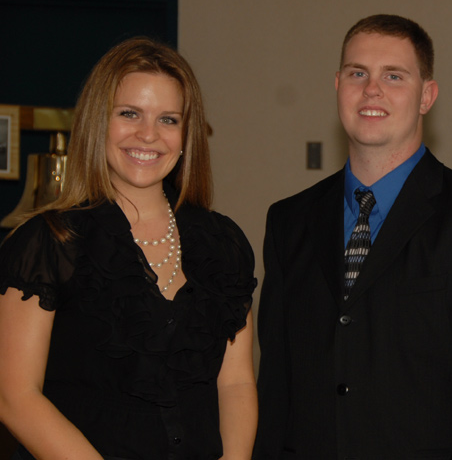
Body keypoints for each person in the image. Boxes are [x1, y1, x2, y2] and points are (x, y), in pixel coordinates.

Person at [253, 14, 452, 459]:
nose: (372, 89)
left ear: (427, 96)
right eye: (357, 73)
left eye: (394, 76)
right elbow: (275, 383)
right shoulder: (289, 220)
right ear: (338, 84)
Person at [0, 37, 258, 459]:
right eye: (129, 113)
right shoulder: (49, 242)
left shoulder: (223, 244)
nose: (148, 135)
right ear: (98, 121)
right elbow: (15, 397)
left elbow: (236, 384)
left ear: (186, 134)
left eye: (168, 120)